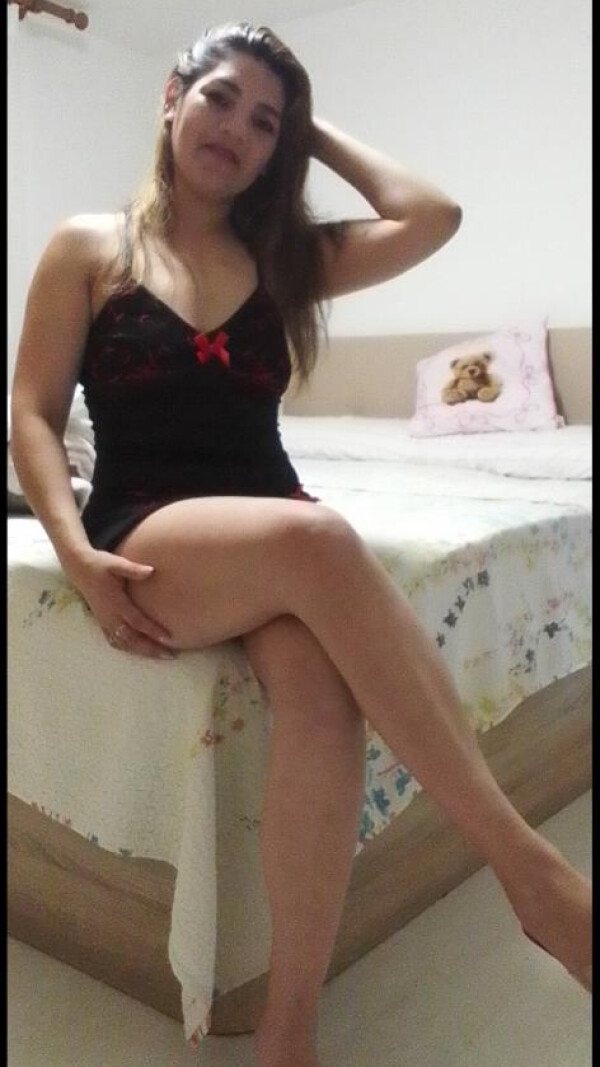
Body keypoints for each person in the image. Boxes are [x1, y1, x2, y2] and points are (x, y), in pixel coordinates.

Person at [10, 20, 591, 1067]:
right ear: (172, 97)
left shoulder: (283, 261)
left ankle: (289, 1030)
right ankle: (534, 877)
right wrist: (77, 557)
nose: (236, 128)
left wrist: (311, 130)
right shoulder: (89, 246)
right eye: (220, 98)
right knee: (320, 537)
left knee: (324, 700)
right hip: (151, 518)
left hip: (270, 516)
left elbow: (434, 215)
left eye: (265, 122)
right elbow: (34, 414)